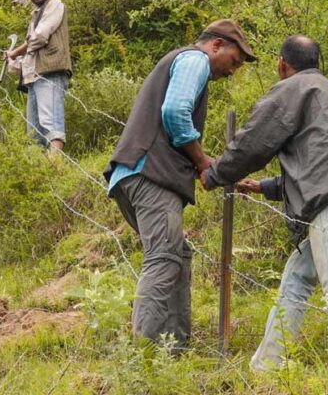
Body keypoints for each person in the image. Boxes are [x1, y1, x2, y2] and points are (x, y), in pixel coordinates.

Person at [201, 35, 328, 372]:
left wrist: (215, 174)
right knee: (298, 277)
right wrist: (263, 187)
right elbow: (317, 160)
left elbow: (254, 144)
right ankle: (266, 366)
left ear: (282, 63)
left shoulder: (291, 89)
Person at [104, 20, 256, 348]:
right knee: (163, 258)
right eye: (234, 61)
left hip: (133, 175)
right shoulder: (194, 60)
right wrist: (201, 161)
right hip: (151, 177)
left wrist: (207, 162)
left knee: (178, 256)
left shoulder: (183, 61)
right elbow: (175, 112)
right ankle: (144, 360)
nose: (233, 72)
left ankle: (173, 350)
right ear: (216, 45)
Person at [5, 0, 71, 152]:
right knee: (34, 134)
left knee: (51, 124)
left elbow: (40, 37)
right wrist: (13, 59)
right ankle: (41, 173)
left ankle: (56, 165)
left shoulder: (55, 5)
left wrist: (16, 51)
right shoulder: (35, 17)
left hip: (51, 72)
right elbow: (31, 52)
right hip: (34, 77)